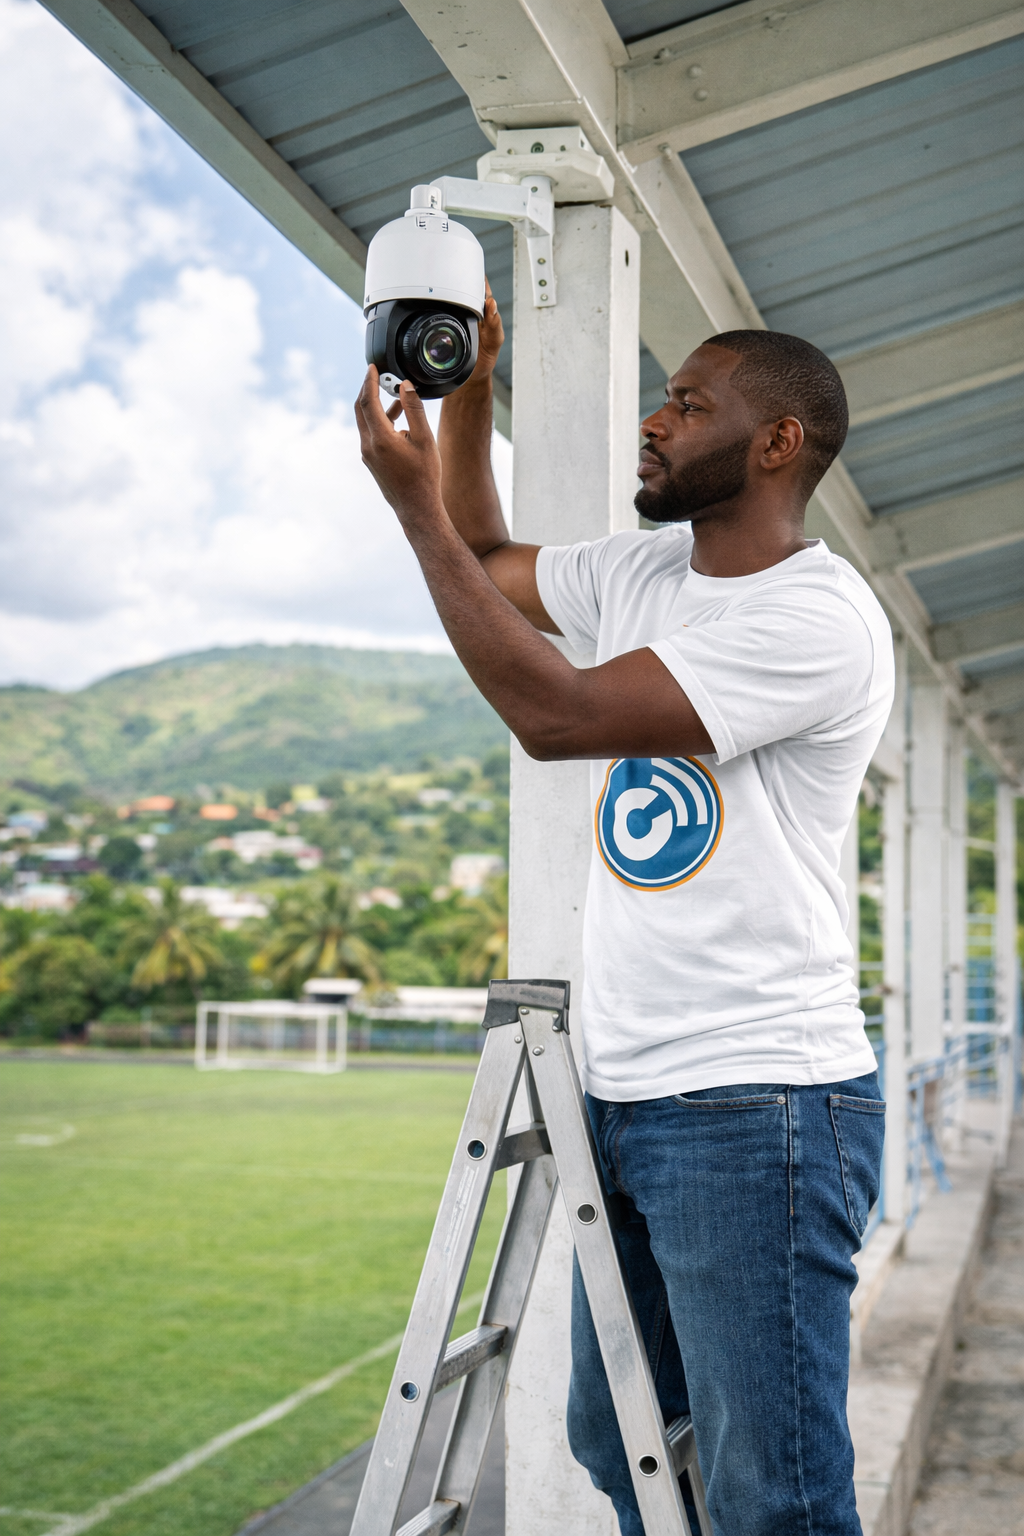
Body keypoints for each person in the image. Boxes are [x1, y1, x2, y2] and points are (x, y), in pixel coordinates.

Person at [355, 284, 894, 1536]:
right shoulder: (653, 570)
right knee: (625, 1441)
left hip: (760, 1105)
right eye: (659, 396)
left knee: (779, 1499)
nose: (653, 422)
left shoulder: (814, 619)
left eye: (686, 403)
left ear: (776, 445)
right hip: (630, 1091)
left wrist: (405, 509)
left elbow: (560, 718)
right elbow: (492, 570)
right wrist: (471, 391)